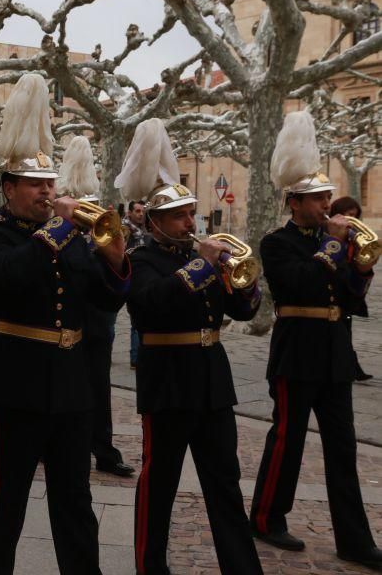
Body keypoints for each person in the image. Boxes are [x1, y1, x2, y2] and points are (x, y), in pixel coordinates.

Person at [0, 74, 129, 575]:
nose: (48, 192)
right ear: (10, 189)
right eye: (37, 185)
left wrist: (116, 257)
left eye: (51, 184)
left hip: (73, 385)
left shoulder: (77, 239)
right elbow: (8, 280)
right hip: (17, 382)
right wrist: (60, 227)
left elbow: (107, 300)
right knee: (6, 497)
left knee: (74, 499)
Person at [115, 118, 263, 575]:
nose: (190, 221)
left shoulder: (203, 258)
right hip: (168, 383)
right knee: (160, 482)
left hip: (213, 381)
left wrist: (240, 281)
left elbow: (243, 313)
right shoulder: (142, 259)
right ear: (156, 223)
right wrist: (201, 268)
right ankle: (150, 566)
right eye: (180, 215)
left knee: (224, 483)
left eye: (192, 213)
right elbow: (150, 305)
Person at [249, 112, 381, 571]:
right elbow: (297, 286)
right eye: (317, 197)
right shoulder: (276, 243)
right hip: (296, 349)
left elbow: (348, 296)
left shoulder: (337, 243)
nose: (327, 203)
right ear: (294, 203)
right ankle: (266, 516)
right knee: (287, 439)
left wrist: (361, 268)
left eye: (326, 195)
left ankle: (354, 539)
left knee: (342, 447)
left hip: (334, 350)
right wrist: (331, 248)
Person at [57, 135, 135, 479]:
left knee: (99, 391)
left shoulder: (105, 223)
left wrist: (111, 250)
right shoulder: (57, 228)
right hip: (64, 322)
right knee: (61, 390)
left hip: (98, 321)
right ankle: (54, 445)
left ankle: (104, 450)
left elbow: (116, 276)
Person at [330, 196, 372, 381]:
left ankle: (352, 367)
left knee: (346, 332)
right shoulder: (331, 236)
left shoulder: (353, 237)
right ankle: (353, 368)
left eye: (355, 216)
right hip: (335, 295)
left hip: (348, 296)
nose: (351, 219)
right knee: (344, 334)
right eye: (349, 215)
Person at [123, 199, 148, 369]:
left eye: (142, 211)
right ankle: (135, 357)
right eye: (137, 211)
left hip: (141, 274)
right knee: (135, 320)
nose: (140, 214)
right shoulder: (125, 229)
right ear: (130, 213)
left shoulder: (145, 230)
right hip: (128, 274)